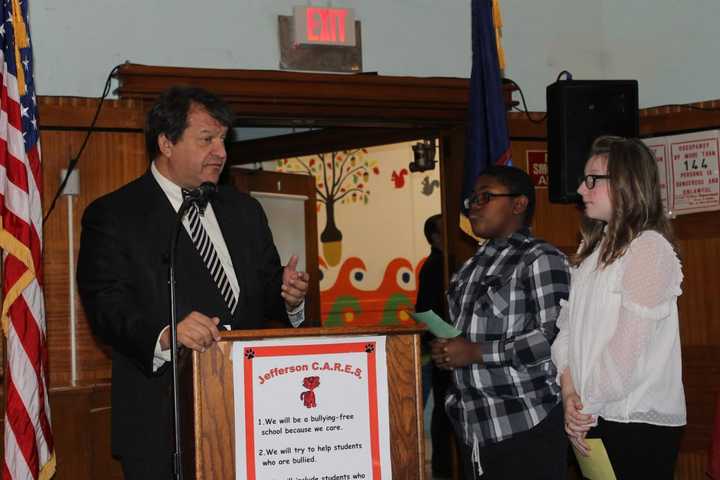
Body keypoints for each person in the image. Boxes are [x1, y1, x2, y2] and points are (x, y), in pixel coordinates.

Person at [76, 86, 309, 479]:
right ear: (166, 142)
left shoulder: (244, 211)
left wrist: (288, 299)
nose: (221, 151)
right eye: (207, 139)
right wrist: (166, 333)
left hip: (251, 419)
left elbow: (262, 298)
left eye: (223, 139)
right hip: (162, 422)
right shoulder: (115, 215)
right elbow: (106, 308)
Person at [551, 136, 686, 479]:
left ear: (628, 183)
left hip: (634, 421)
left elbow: (625, 352)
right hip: (594, 413)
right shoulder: (592, 251)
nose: (582, 189)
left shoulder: (649, 249)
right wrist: (569, 395)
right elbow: (567, 332)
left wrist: (585, 409)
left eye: (592, 179)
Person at [432, 165, 570, 479]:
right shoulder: (468, 268)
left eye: (486, 197)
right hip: (473, 426)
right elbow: (464, 338)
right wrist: (447, 349)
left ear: (518, 204)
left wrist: (475, 352)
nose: (473, 207)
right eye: (472, 200)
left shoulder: (540, 258)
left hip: (525, 423)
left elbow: (555, 339)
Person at [415, 214, 454, 479]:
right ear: (436, 237)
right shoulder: (435, 266)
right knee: (442, 410)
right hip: (443, 349)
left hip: (445, 347)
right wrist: (450, 338)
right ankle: (443, 468)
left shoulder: (441, 263)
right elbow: (425, 311)